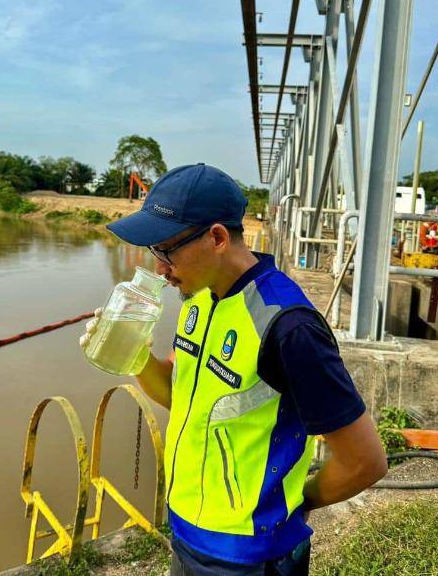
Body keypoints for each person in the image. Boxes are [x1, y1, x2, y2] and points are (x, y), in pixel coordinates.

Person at [80, 163, 387, 576]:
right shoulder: (199, 299)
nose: (160, 269)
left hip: (249, 557)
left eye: (166, 252)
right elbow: (179, 394)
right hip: (187, 531)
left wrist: (296, 504)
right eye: (154, 252)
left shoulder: (287, 325)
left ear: (218, 238)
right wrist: (135, 357)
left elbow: (365, 461)